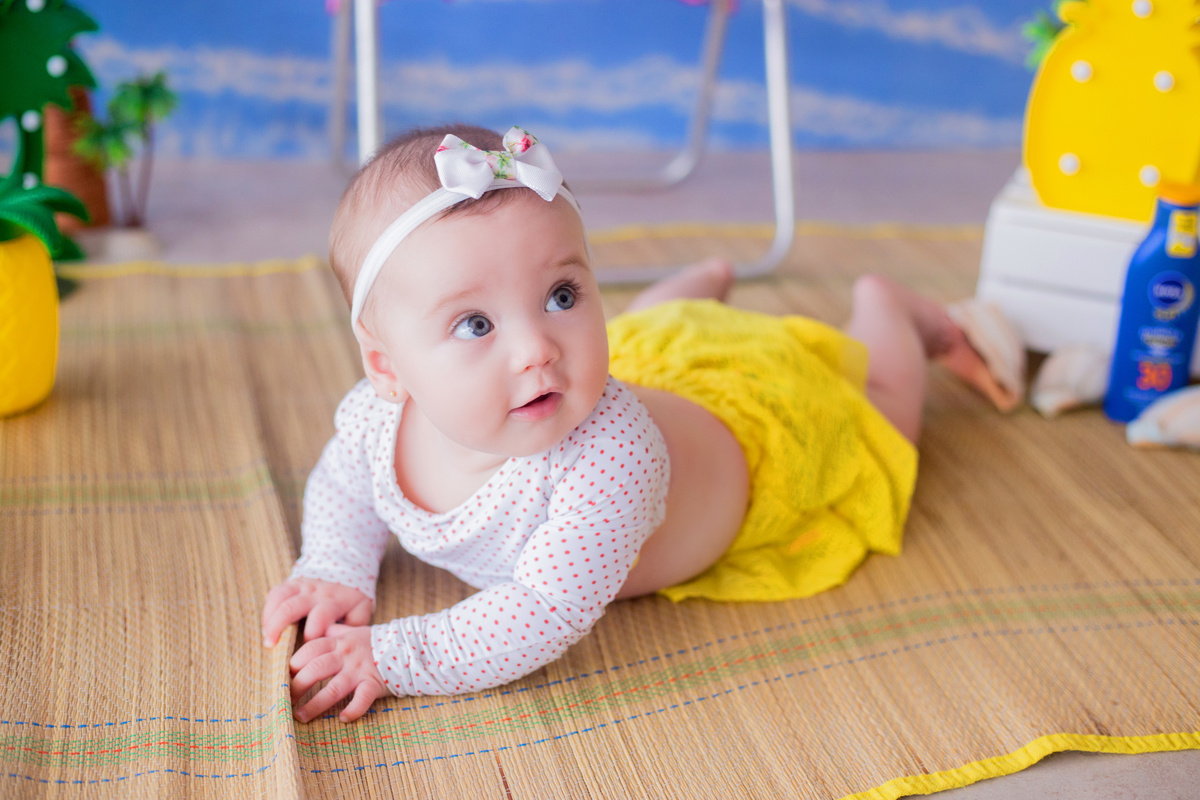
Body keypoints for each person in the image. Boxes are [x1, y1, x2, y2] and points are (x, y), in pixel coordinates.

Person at [260, 125, 1020, 724]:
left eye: (563, 293)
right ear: (388, 369)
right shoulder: (375, 422)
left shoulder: (609, 457)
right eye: (475, 324)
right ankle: (699, 285)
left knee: (875, 415)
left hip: (759, 447)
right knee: (646, 339)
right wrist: (333, 564)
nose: (535, 349)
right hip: (658, 374)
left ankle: (893, 312)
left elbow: (541, 611)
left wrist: (393, 657)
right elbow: (343, 488)